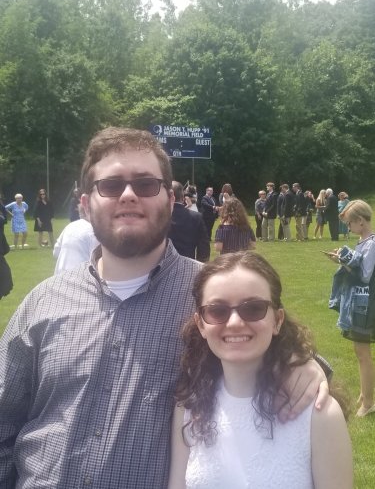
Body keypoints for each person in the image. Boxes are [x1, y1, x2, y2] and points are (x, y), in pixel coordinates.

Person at [0, 127, 328, 488]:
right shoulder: (42, 303)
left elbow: (271, 334)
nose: (128, 195)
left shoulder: (214, 298)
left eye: (145, 184)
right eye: (110, 186)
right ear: (84, 205)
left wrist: (305, 364)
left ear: (171, 202)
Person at [168, 251, 352, 489]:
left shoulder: (320, 414)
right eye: (217, 311)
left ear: (277, 320)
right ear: (201, 324)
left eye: (253, 308)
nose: (234, 323)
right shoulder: (189, 406)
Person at [329, 199, 375, 417]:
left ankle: (368, 403)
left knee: (362, 353)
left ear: (361, 221)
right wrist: (342, 260)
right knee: (361, 352)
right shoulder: (363, 242)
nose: (348, 228)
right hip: (360, 304)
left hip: (364, 306)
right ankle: (366, 394)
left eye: (349, 224)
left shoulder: (372, 243)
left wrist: (345, 260)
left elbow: (365, 276)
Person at [169, 181, 210, 262]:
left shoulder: (159, 217)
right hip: (188, 263)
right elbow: (204, 247)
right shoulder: (196, 217)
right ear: (183, 197)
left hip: (162, 268)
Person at [53, 205, 100, 274]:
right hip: (79, 278)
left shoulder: (69, 226)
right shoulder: (93, 231)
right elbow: (96, 262)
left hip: (59, 275)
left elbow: (55, 252)